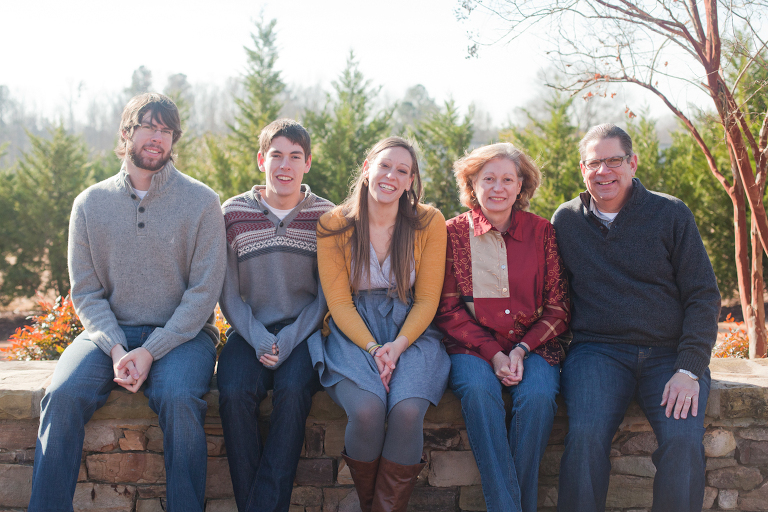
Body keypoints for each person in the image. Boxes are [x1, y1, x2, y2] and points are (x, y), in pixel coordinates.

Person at [28, 93, 227, 512]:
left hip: (183, 336)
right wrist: (119, 347)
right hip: (108, 336)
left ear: (174, 140)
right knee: (61, 396)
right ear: (126, 133)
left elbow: (204, 293)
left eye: (166, 130)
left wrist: (151, 351)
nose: (158, 137)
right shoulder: (90, 204)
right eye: (148, 127)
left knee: (179, 400)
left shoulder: (202, 201)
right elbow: (86, 292)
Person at [552, 124, 720, 512]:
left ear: (633, 163)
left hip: (668, 355)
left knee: (682, 439)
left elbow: (703, 295)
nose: (603, 171)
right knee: (585, 435)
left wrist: (690, 368)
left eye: (613, 160)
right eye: (594, 162)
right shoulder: (566, 221)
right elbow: (550, 293)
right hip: (598, 352)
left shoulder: (670, 213)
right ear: (582, 168)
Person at [308, 136, 449, 512]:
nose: (391, 175)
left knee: (405, 411)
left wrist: (397, 347)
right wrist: (373, 349)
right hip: (354, 330)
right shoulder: (333, 225)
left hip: (412, 331)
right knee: (368, 409)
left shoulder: (429, 222)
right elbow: (338, 301)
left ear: (410, 181)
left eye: (402, 171)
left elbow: (427, 299)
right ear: (368, 167)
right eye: (385, 165)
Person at [433, 143, 570, 512]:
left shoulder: (542, 232)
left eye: (507, 179)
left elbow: (558, 307)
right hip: (471, 348)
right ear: (471, 184)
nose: (498, 188)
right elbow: (446, 310)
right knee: (478, 392)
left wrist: (521, 350)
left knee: (539, 397)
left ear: (521, 185)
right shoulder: (452, 234)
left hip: (534, 347)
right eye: (488, 179)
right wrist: (494, 354)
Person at [217, 119, 334, 512]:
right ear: (260, 160)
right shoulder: (232, 213)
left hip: (303, 333)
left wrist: (288, 340)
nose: (285, 165)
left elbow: (326, 294)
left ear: (308, 163)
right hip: (248, 330)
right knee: (233, 393)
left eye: (295, 157)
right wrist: (258, 337)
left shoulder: (326, 217)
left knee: (293, 392)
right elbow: (228, 292)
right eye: (276, 155)